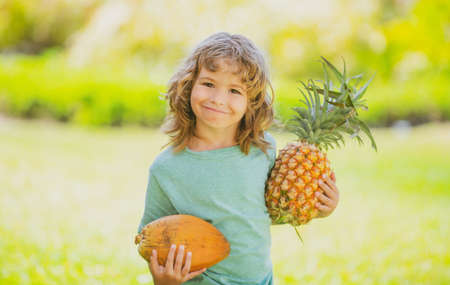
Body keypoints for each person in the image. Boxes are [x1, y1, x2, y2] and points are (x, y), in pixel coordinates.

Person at [137, 32, 339, 285]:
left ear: (251, 101)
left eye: (234, 90)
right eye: (208, 84)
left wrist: (319, 209)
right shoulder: (167, 168)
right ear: (188, 85)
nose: (218, 99)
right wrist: (164, 280)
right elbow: (149, 238)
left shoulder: (262, 150)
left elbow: (259, 215)